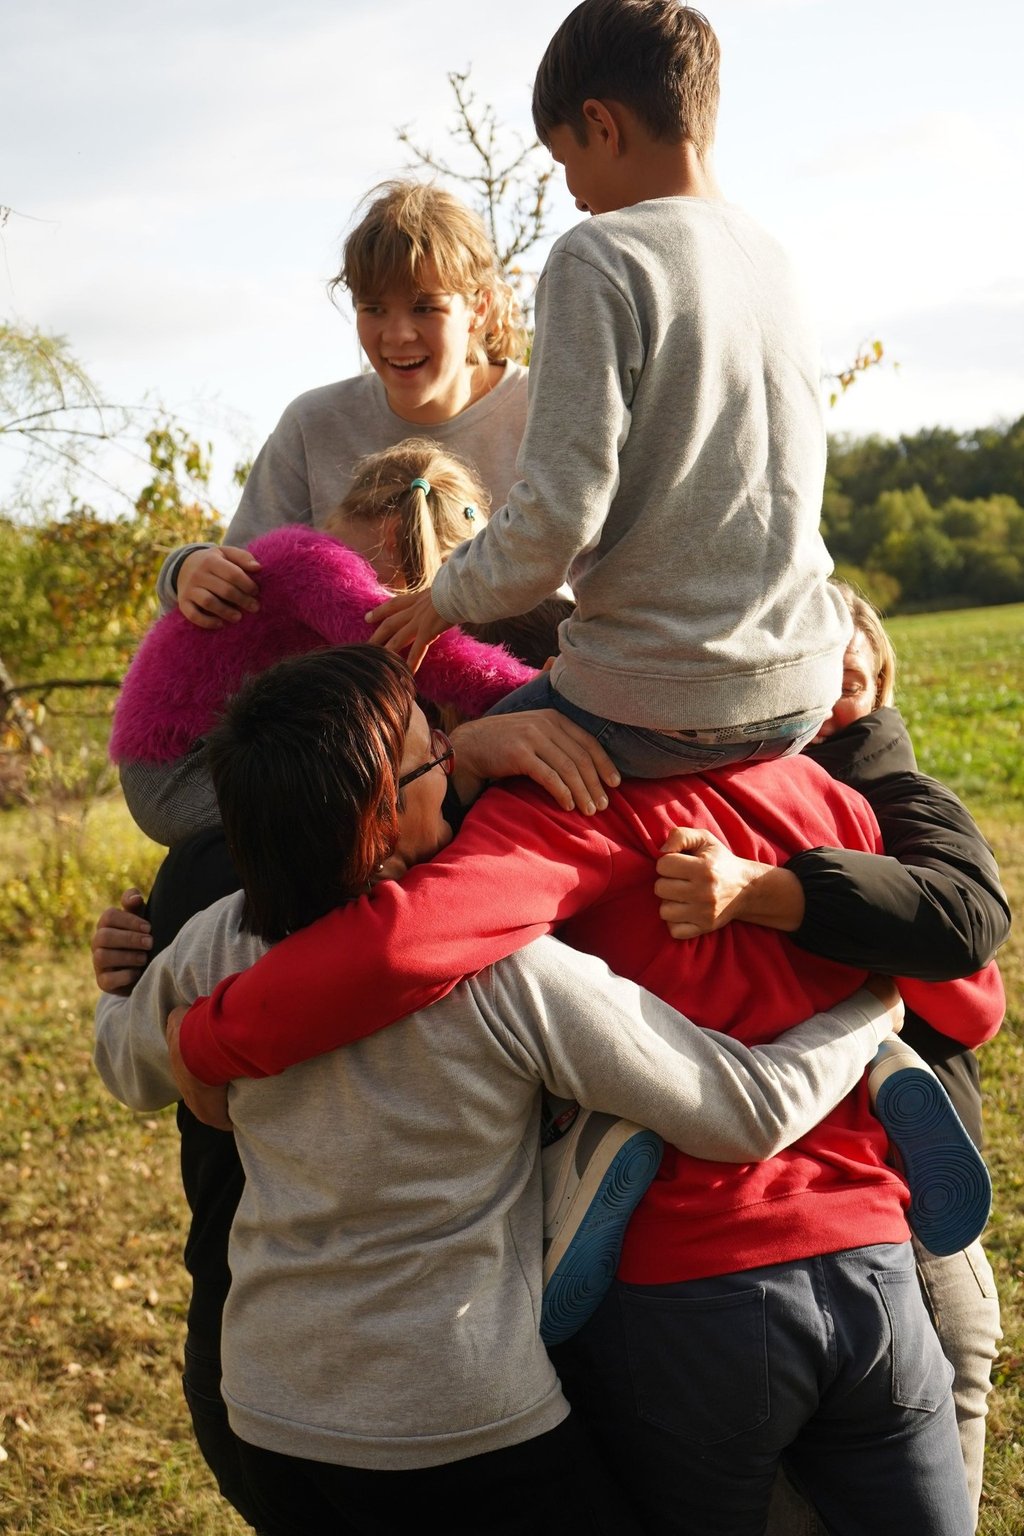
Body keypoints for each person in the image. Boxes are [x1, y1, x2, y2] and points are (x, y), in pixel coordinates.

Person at [93, 646, 906, 1536]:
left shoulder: (216, 944)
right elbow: (742, 1112)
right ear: (383, 817)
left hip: (267, 1407)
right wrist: (872, 1009)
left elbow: (125, 1066)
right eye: (432, 755)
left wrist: (132, 992)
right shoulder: (499, 977)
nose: (451, 760)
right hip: (453, 1421)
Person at [368, 0, 851, 781]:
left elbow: (555, 519)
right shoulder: (775, 259)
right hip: (804, 683)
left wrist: (441, 599)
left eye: (566, 163)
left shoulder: (600, 256)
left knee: (429, 780)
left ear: (602, 123)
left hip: (659, 696)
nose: (573, 194)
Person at [654, 582, 1008, 1530]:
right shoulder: (736, 786)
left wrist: (795, 907)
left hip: (896, 1182)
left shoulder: (901, 797)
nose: (838, 698)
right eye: (820, 675)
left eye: (853, 678)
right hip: (780, 1194)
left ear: (881, 685)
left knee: (955, 1356)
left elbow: (974, 997)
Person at [111, 438, 543, 846]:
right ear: (397, 536)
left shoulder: (303, 559)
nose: (435, 609)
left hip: (198, 755)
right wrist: (533, 690)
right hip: (179, 767)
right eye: (436, 582)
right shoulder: (318, 569)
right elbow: (429, 658)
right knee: (364, 814)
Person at [155, 181, 530, 631]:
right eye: (373, 309)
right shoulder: (314, 424)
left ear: (479, 309)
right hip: (350, 694)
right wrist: (185, 569)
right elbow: (247, 583)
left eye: (424, 308)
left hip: (516, 688)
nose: (396, 335)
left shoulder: (541, 411)